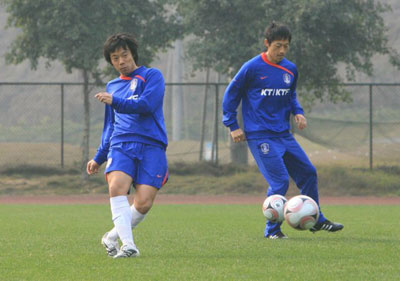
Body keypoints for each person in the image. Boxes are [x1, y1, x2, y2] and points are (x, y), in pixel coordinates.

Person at [222, 22, 343, 239]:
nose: (282, 51)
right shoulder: (251, 67)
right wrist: (233, 125)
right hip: (260, 135)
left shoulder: (290, 69)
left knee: (308, 172)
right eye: (278, 45)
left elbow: (291, 95)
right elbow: (231, 95)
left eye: (286, 46)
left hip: (284, 134)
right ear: (267, 43)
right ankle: (273, 231)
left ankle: (316, 220)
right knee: (280, 182)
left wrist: (298, 112)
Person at [87, 33, 169, 257]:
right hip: (122, 144)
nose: (121, 61)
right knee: (116, 187)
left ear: (133, 54)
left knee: (143, 203)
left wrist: (116, 101)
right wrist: (99, 156)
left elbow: (147, 105)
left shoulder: (152, 76)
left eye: (124, 55)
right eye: (115, 58)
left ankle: (112, 237)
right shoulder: (112, 86)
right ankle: (129, 246)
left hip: (152, 145)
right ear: (111, 62)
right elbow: (110, 126)